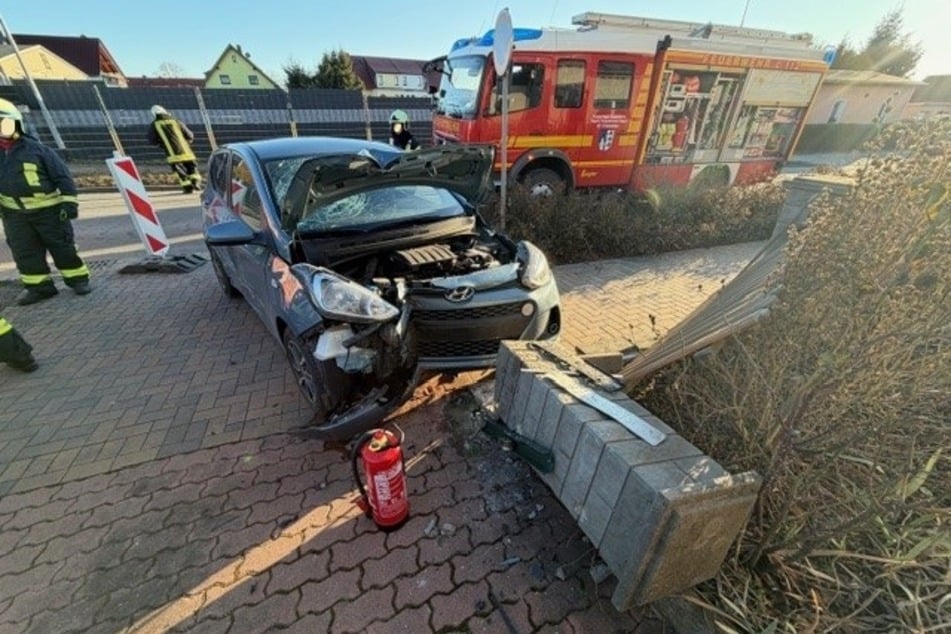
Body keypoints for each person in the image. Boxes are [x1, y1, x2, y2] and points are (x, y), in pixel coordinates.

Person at [0, 98, 91, 306]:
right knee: (25, 253)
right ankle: (39, 288)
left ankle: (78, 280)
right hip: (15, 216)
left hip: (49, 212)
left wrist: (69, 204)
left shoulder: (39, 151)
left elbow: (63, 178)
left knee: (62, 248)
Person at [147, 105, 202, 193]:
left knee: (180, 171)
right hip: (186, 151)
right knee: (192, 167)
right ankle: (196, 182)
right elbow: (190, 135)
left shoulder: (155, 125)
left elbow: (152, 140)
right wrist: (187, 142)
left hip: (172, 154)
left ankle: (188, 188)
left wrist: (162, 144)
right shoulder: (176, 121)